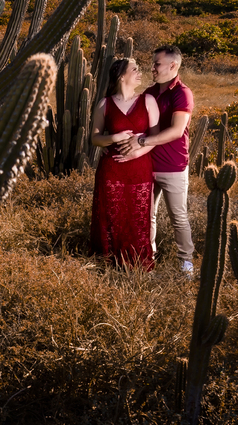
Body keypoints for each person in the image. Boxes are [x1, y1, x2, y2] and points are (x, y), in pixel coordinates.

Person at [119, 45, 196, 275]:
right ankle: (147, 259)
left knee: (178, 217)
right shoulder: (150, 93)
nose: (152, 68)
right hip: (147, 164)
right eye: (153, 63)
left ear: (173, 66)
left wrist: (142, 142)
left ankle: (186, 263)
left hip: (173, 166)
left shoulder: (182, 93)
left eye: (157, 64)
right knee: (147, 215)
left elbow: (176, 130)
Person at [89, 58, 160, 271]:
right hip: (111, 169)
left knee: (137, 217)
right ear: (121, 76)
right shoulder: (105, 104)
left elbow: (155, 138)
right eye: (134, 69)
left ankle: (137, 264)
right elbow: (95, 139)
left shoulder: (147, 101)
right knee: (111, 215)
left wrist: (137, 152)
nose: (140, 73)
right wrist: (115, 137)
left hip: (140, 168)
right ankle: (109, 263)